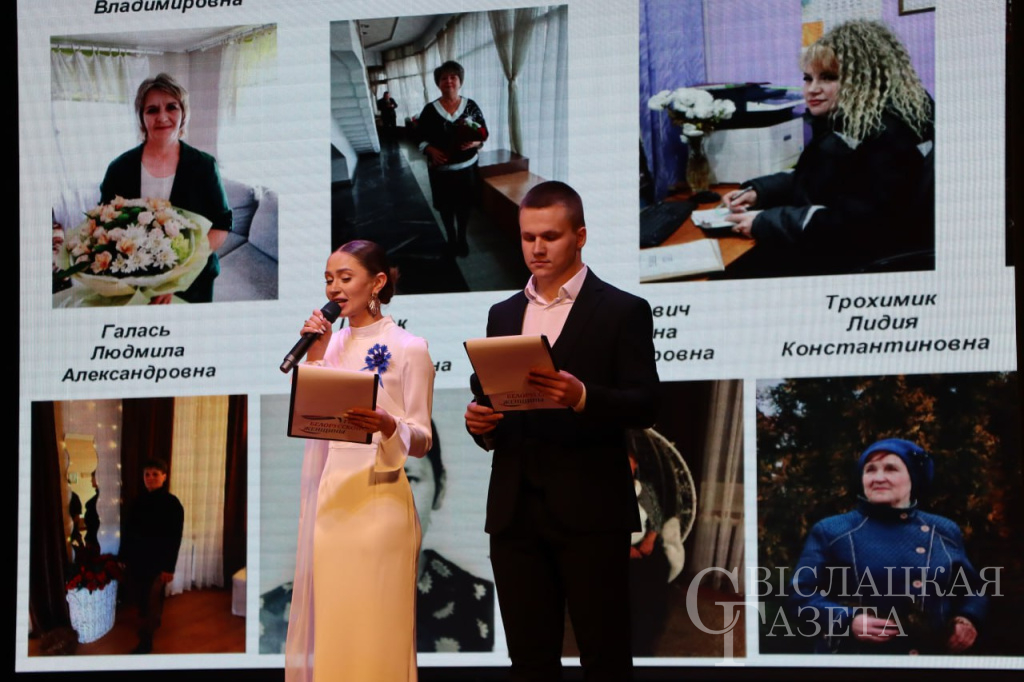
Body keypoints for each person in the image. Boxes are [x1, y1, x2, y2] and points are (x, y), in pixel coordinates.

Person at [464, 181, 660, 681]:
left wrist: (583, 396)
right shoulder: (503, 313)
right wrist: (480, 425)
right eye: (527, 236)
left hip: (591, 510)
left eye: (550, 236)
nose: (537, 248)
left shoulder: (622, 310)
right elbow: (493, 400)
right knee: (529, 661)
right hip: (514, 513)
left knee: (605, 657)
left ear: (580, 236)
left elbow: (647, 403)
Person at [285, 240, 435, 682]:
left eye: (345, 278)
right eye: (328, 279)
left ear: (377, 282)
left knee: (378, 627)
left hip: (380, 501)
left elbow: (422, 439)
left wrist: (389, 425)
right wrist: (316, 354)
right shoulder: (328, 345)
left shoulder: (409, 347)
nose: (334, 288)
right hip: (333, 501)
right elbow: (314, 421)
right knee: (336, 626)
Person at [723, 20, 934, 276]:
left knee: (735, 269)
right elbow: (820, 179)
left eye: (828, 78)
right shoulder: (855, 122)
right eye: (808, 78)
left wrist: (764, 222)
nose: (812, 90)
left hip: (856, 262)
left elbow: (853, 225)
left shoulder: (885, 136)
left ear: (864, 79)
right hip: (852, 249)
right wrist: (760, 191)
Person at [788, 438, 988, 654]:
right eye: (870, 470)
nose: (878, 478)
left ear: (913, 477)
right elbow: (800, 595)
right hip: (856, 660)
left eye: (891, 469)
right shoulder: (833, 530)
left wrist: (967, 618)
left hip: (930, 661)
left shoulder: (944, 530)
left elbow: (972, 589)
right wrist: (848, 620)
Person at [100, 73, 232, 303]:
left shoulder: (204, 166)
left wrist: (177, 276)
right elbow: (104, 225)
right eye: (152, 110)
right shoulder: (119, 168)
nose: (162, 117)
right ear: (141, 118)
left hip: (193, 282)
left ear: (183, 114)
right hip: (133, 281)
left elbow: (221, 225)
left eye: (171, 107)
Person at [408, 422, 495, 653]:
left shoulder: (479, 601)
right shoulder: (317, 597)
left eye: (410, 478)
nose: (393, 496)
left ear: (440, 487)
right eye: (377, 477)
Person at [416, 61, 488, 257]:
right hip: (441, 172)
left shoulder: (471, 106)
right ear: (438, 83)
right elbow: (418, 136)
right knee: (446, 208)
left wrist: (475, 143)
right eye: (443, 78)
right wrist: (430, 149)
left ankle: (462, 238)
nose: (448, 81)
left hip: (467, 169)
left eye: (453, 77)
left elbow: (483, 133)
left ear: (460, 81)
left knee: (464, 207)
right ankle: (451, 238)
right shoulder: (430, 110)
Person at [119, 458, 184, 654]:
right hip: (137, 560)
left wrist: (169, 568)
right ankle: (151, 623)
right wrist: (123, 556)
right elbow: (128, 531)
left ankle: (146, 642)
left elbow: (174, 538)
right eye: (147, 474)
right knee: (142, 598)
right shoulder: (137, 501)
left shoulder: (172, 504)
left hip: (158, 563)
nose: (150, 478)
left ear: (164, 476)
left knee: (153, 599)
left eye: (155, 474)